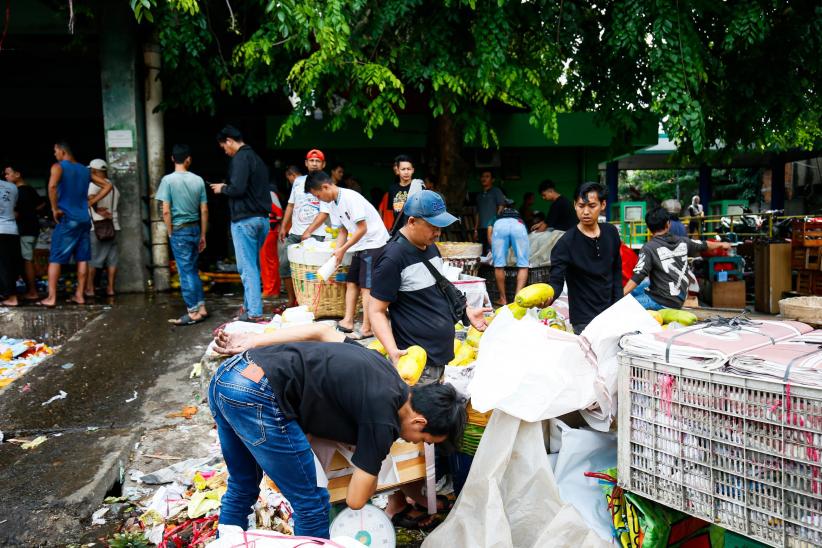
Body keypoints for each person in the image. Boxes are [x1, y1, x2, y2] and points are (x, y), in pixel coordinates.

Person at [207, 322, 466, 538]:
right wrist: (373, 459)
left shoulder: (385, 368)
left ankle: (225, 542)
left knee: (243, 485)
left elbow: (321, 331)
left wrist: (253, 340)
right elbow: (356, 500)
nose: (414, 442)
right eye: (425, 439)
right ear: (420, 422)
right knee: (312, 504)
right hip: (258, 394)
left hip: (230, 375)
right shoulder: (385, 421)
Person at [369, 190, 489, 527]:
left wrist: (466, 311)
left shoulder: (429, 247)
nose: (438, 232)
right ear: (411, 221)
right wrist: (394, 351)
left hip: (439, 359)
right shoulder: (392, 258)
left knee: (429, 431)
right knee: (410, 432)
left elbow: (441, 287)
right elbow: (376, 310)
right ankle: (399, 500)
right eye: (433, 226)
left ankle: (423, 493)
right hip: (416, 364)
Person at [307, 171, 389, 338]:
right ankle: (348, 321)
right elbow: (342, 231)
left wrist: (343, 249)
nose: (319, 199)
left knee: (366, 287)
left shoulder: (350, 198)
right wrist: (336, 254)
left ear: (325, 187)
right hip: (360, 244)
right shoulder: (332, 203)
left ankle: (367, 327)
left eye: (318, 195)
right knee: (351, 282)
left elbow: (362, 228)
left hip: (374, 242)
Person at [39, 142, 112, 307]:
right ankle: (79, 295)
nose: (55, 154)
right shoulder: (85, 171)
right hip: (84, 219)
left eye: (55, 151)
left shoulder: (58, 167)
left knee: (55, 257)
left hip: (68, 218)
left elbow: (52, 186)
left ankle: (51, 298)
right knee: (82, 258)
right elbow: (107, 185)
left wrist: (54, 208)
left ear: (62, 151)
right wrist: (91, 201)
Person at [211, 125, 272, 322]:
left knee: (247, 268)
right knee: (252, 266)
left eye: (224, 147)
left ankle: (253, 312)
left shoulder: (240, 158)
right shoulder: (256, 158)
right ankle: (248, 308)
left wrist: (223, 188)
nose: (225, 151)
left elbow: (237, 189)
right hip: (262, 220)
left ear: (229, 141)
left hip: (245, 221)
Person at [547, 182, 622, 334]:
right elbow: (556, 281)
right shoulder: (565, 243)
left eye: (592, 206)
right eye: (581, 206)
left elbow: (616, 272)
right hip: (583, 320)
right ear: (575, 205)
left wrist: (618, 306)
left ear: (603, 205)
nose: (586, 212)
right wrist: (548, 296)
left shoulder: (611, 232)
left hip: (611, 313)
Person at [624, 206, 730, 310]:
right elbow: (704, 245)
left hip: (661, 302)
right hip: (680, 298)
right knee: (641, 286)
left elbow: (638, 275)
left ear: (648, 227)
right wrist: (722, 244)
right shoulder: (683, 241)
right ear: (668, 224)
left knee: (624, 305)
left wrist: (620, 297)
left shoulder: (648, 248)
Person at [156, 144, 210, 325]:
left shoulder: (167, 181)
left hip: (179, 230)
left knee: (185, 272)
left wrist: (170, 231)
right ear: (189, 159)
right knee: (193, 269)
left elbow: (165, 211)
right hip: (195, 228)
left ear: (172, 159)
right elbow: (204, 210)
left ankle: (193, 312)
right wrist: (203, 234)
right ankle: (201, 307)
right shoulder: (198, 180)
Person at [279, 150, 331, 308]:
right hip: (295, 233)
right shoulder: (298, 181)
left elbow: (324, 212)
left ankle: (311, 302)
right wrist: (284, 226)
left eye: (317, 161)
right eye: (311, 160)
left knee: (312, 269)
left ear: (323, 164)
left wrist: (308, 231)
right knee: (285, 264)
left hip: (316, 235)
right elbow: (291, 205)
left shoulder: (326, 183)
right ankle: (291, 300)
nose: (314, 163)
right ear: (306, 163)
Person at [5, 165, 44, 301]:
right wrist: (31, 212)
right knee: (26, 259)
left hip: (24, 229)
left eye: (8, 174)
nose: (6, 176)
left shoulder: (18, 192)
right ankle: (30, 290)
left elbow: (16, 214)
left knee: (27, 260)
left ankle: (32, 291)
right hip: (32, 228)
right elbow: (41, 205)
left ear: (17, 174)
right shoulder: (30, 189)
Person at [85, 159, 120, 297]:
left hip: (98, 228)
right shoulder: (114, 187)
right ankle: (111, 288)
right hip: (114, 227)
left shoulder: (93, 185)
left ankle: (90, 289)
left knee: (93, 260)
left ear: (94, 171)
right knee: (112, 260)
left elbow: (90, 199)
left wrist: (96, 209)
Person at [488, 198, 530, 305]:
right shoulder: (519, 218)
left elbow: (489, 233)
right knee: (523, 265)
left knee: (499, 265)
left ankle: (503, 299)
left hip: (500, 226)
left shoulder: (496, 218)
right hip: (519, 225)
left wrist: (495, 249)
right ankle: (517, 299)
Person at [387, 154, 423, 234]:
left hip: (414, 231)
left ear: (413, 170)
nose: (406, 172)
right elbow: (390, 213)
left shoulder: (418, 188)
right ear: (398, 171)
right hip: (398, 232)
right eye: (403, 169)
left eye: (408, 169)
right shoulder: (392, 189)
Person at [260, 180, 283, 298]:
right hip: (267, 229)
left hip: (269, 229)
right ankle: (271, 289)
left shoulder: (268, 192)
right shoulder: (266, 192)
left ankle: (271, 290)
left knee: (268, 260)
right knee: (268, 259)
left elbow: (279, 213)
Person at [0, 176, 21, 306]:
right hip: (12, 230)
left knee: (3, 266)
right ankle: (9, 295)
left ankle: (11, 297)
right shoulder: (13, 187)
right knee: (10, 264)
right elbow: (14, 208)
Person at [473, 170, 505, 253]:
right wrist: (476, 230)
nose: (484, 178)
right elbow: (477, 213)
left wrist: (496, 224)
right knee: (482, 253)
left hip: (492, 228)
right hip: (481, 229)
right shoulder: (479, 195)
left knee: (492, 252)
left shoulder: (496, 191)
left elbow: (501, 207)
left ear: (492, 180)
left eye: (487, 176)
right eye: (482, 176)